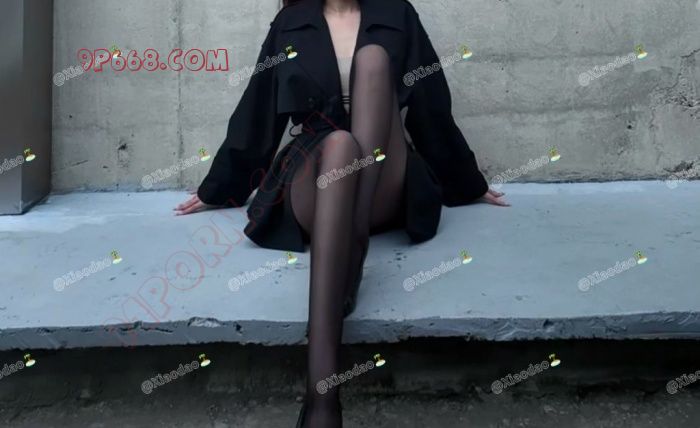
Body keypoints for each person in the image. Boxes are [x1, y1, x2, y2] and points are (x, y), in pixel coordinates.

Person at [175, 0, 509, 425]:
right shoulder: (290, 24)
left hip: (383, 177)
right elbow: (256, 111)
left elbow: (431, 108)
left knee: (373, 60)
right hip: (318, 175)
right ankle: (322, 400)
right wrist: (220, 188)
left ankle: (353, 247)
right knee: (340, 145)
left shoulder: (397, 15)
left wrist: (468, 183)